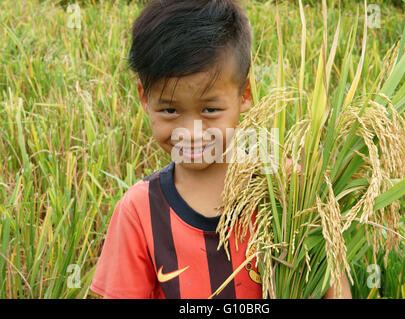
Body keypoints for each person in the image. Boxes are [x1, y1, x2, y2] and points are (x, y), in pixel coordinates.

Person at [90, 0, 351, 299]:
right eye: (170, 110)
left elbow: (332, 281)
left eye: (210, 109)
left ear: (245, 95)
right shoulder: (139, 211)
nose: (191, 133)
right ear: (145, 99)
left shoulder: (284, 183)